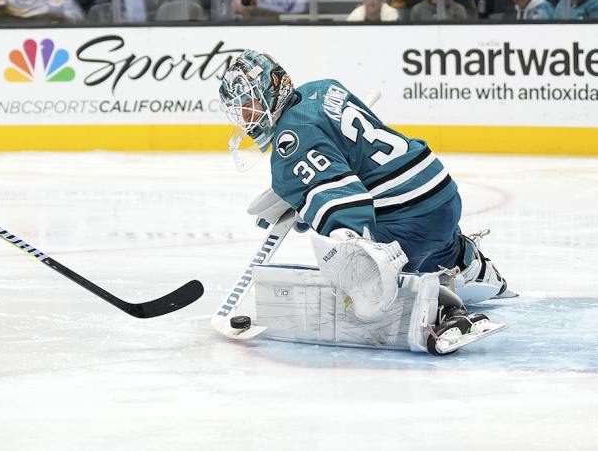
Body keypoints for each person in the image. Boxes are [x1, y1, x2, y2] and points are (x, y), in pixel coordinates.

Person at [217, 50, 511, 354]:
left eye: (250, 103)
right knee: (428, 238)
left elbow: (346, 207)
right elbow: (355, 157)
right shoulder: (320, 89)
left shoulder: (289, 142)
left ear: (271, 88)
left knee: (360, 288)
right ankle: (464, 258)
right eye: (239, 108)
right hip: (439, 192)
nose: (246, 116)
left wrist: (353, 253)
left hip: (408, 217)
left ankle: (445, 309)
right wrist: (302, 196)